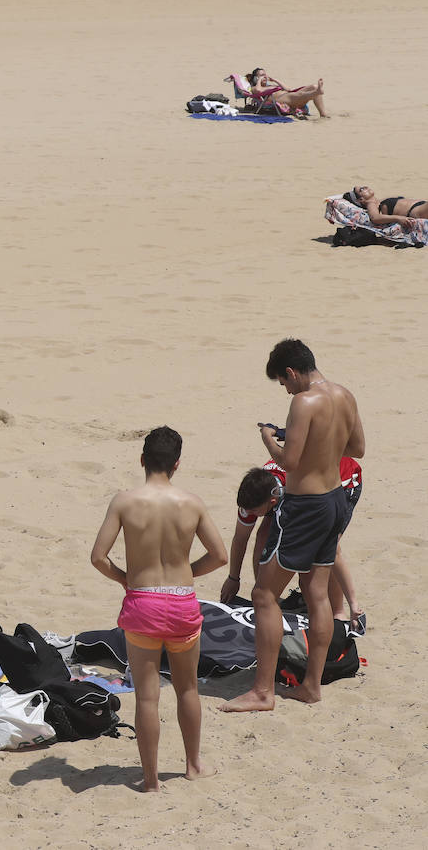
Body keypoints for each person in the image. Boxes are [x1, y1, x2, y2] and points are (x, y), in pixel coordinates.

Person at [222, 339, 365, 713]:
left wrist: (271, 439)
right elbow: (357, 448)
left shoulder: (302, 402)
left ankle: (262, 692)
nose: (286, 389)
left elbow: (290, 462)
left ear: (291, 372)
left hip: (306, 507)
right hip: (337, 498)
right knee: (316, 594)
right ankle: (311, 687)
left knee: (264, 595)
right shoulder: (344, 395)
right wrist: (321, 444)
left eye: (283, 382)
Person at [89, 426, 226, 792]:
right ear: (177, 464)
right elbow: (220, 556)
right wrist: (188, 574)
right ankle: (193, 765)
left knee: (148, 696)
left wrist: (124, 579)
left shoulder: (124, 501)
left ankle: (150, 781)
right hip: (181, 602)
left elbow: (98, 557)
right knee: (188, 690)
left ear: (142, 460)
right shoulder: (191, 502)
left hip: (143, 602)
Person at [222, 458, 364, 632]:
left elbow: (332, 550)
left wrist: (353, 603)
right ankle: (268, 595)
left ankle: (338, 612)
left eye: (254, 512)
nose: (250, 515)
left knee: (324, 550)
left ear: (272, 503)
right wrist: (233, 578)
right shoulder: (255, 494)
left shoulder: (299, 497)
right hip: (295, 486)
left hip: (344, 482)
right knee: (262, 536)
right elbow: (240, 538)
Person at [247, 68, 326, 118]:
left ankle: (323, 114)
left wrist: (274, 80)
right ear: (255, 78)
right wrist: (259, 80)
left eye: (265, 75)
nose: (264, 77)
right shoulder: (254, 88)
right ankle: (316, 92)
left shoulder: (270, 85)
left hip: (287, 94)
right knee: (300, 95)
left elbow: (288, 89)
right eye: (261, 75)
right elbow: (258, 91)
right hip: (282, 99)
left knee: (313, 86)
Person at [344, 186, 428, 228]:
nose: (365, 187)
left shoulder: (379, 202)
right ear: (360, 200)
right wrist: (398, 218)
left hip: (421, 207)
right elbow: (375, 218)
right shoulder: (371, 204)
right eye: (362, 189)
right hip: (416, 211)